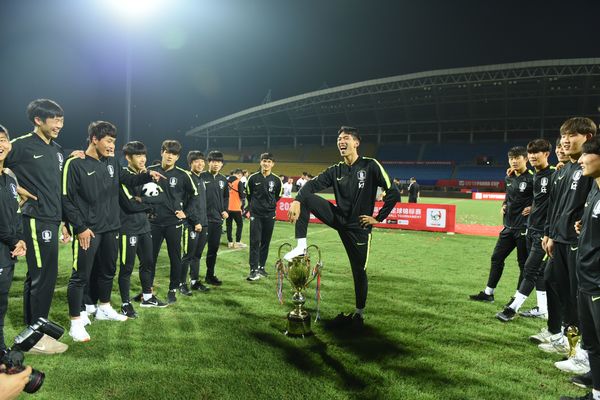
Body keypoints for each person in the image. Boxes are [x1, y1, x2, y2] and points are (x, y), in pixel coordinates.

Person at [285, 126, 400, 328]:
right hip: (339, 218)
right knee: (306, 198)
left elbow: (394, 192)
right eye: (339, 139)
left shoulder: (370, 165)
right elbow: (310, 185)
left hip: (359, 227)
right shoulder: (335, 170)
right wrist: (296, 200)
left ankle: (359, 313)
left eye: (345, 138)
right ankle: (301, 246)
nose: (341, 141)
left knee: (359, 271)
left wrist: (378, 218)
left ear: (356, 142)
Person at [63, 121, 162, 342]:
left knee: (108, 271)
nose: (112, 146)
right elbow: (66, 199)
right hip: (89, 230)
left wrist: (148, 175)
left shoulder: (111, 163)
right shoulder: (75, 163)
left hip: (111, 228)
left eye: (114, 142)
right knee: (80, 276)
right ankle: (75, 322)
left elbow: (128, 179)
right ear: (94, 139)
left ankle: (104, 307)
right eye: (108, 141)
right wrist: (80, 227)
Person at [4, 99, 71, 354]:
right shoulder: (20, 145)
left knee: (38, 277)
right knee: (43, 277)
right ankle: (36, 338)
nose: (59, 125)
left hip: (52, 219)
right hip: (34, 219)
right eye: (55, 120)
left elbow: (56, 187)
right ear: (38, 120)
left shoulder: (58, 150)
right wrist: (16, 188)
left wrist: (63, 221)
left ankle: (32, 331)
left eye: (61, 120)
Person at [542, 117, 596, 374]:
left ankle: (581, 352)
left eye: (571, 135)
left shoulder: (588, 167)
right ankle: (569, 341)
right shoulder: (567, 169)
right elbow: (557, 206)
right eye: (563, 135)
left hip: (577, 242)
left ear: (587, 137)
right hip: (560, 238)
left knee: (579, 297)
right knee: (556, 284)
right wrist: (550, 233)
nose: (564, 140)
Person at [559, 135, 600, 400]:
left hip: (598, 281)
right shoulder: (594, 189)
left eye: (587, 155)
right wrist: (584, 226)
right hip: (586, 278)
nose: (581, 160)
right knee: (593, 343)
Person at [495, 139, 554, 322]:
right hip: (531, 228)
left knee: (529, 269)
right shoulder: (534, 176)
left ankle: (512, 308)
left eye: (537, 152)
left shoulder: (554, 174)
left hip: (545, 232)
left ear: (546, 154)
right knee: (538, 272)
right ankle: (543, 309)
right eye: (531, 153)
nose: (533, 156)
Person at [469, 146, 533, 303]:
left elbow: (544, 198)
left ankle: (516, 299)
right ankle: (488, 293)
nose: (514, 161)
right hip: (508, 227)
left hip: (524, 228)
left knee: (523, 265)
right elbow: (508, 197)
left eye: (517, 158)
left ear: (525, 159)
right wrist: (504, 204)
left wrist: (533, 207)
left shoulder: (533, 178)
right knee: (496, 258)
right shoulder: (509, 177)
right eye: (511, 158)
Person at [118, 141, 168, 317]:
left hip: (145, 227)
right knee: (127, 267)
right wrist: (147, 205)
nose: (142, 159)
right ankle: (125, 304)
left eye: (144, 155)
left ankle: (147, 297)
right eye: (138, 155)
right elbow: (130, 205)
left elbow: (162, 198)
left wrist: (143, 200)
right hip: (128, 228)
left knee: (148, 262)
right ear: (128, 157)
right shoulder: (124, 176)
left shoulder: (147, 174)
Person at [148, 140, 199, 303]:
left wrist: (186, 213)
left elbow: (195, 195)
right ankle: (147, 290)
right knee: (150, 258)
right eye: (168, 152)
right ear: (162, 152)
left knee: (175, 258)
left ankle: (172, 289)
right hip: (153, 222)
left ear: (177, 157)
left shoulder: (183, 175)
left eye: (174, 154)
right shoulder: (150, 171)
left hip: (173, 223)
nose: (170, 156)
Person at [0, 125, 26, 352]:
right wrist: (13, 240)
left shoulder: (9, 180)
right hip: (5, 245)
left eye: (2, 139)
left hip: (7, 251)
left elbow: (15, 212)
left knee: (1, 301)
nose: (0, 145)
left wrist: (20, 239)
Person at [245, 153, 282, 281]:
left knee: (266, 242)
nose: (266, 163)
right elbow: (249, 195)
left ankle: (261, 267)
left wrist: (269, 205)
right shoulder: (252, 178)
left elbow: (277, 196)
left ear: (273, 164)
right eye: (264, 161)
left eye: (269, 161)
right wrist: (255, 207)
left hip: (270, 215)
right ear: (260, 162)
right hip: (256, 214)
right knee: (255, 241)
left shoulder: (277, 180)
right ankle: (253, 269)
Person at [180, 151, 210, 293]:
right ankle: (181, 283)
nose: (200, 164)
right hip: (191, 224)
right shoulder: (187, 179)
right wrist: (195, 221)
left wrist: (203, 221)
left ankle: (194, 281)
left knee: (197, 255)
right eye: (197, 161)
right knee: (187, 255)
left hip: (203, 223)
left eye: (202, 162)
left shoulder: (201, 179)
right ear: (190, 163)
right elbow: (188, 204)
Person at [200, 151, 229, 286]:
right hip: (202, 220)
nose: (216, 164)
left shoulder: (223, 179)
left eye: (218, 162)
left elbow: (226, 196)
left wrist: (225, 210)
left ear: (222, 164)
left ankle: (210, 275)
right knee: (196, 250)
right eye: (213, 161)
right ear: (208, 162)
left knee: (213, 250)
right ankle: (192, 277)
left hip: (217, 220)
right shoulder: (201, 176)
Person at [226, 169, 246, 249]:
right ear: (239, 175)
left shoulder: (226, 181)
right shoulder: (238, 182)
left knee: (229, 225)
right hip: (236, 207)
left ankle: (230, 242)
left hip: (227, 208)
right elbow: (242, 196)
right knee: (240, 225)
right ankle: (237, 242)